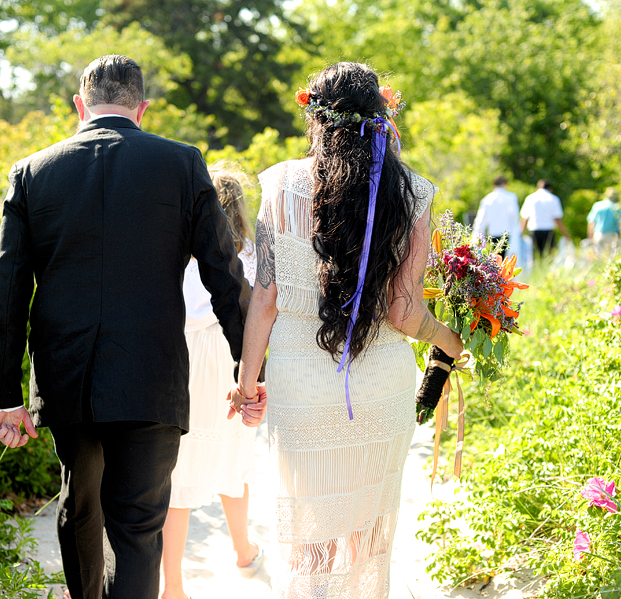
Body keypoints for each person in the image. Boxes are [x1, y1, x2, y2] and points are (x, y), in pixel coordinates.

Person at [0, 55, 253, 599]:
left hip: (67, 379)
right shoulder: (182, 164)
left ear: (80, 106)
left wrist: (3, 395)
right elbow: (226, 276)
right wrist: (251, 371)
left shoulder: (34, 172)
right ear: (142, 108)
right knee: (138, 526)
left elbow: (8, 290)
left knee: (80, 507)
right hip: (151, 376)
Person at [230, 62, 463, 598]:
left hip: (299, 388)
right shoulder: (413, 192)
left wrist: (247, 390)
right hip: (381, 386)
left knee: (309, 531)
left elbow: (264, 299)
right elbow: (405, 313)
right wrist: (452, 343)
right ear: (381, 114)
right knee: (368, 534)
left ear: (314, 113)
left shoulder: (279, 182)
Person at [160, 165, 263, 599]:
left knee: (179, 478)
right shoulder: (252, 254)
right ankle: (243, 552)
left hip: (189, 363)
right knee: (233, 463)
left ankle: (175, 586)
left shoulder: (179, 251)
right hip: (233, 357)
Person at [520, 179, 572, 259]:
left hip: (534, 232)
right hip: (549, 232)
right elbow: (558, 220)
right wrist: (566, 234)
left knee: (535, 257)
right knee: (549, 257)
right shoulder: (554, 199)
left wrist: (520, 235)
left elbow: (525, 219)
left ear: (538, 187)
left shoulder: (530, 198)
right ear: (550, 189)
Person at [472, 175, 519, 258]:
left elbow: (481, 220)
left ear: (493, 185)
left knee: (495, 261)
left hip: (493, 235)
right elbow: (515, 217)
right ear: (505, 184)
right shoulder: (511, 197)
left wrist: (476, 236)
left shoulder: (487, 199)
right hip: (507, 235)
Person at [587, 187, 621, 254]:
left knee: (598, 257)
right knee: (611, 257)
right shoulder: (617, 207)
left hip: (598, 234)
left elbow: (591, 223)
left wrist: (590, 238)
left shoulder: (597, 205)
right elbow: (620, 224)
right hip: (612, 235)